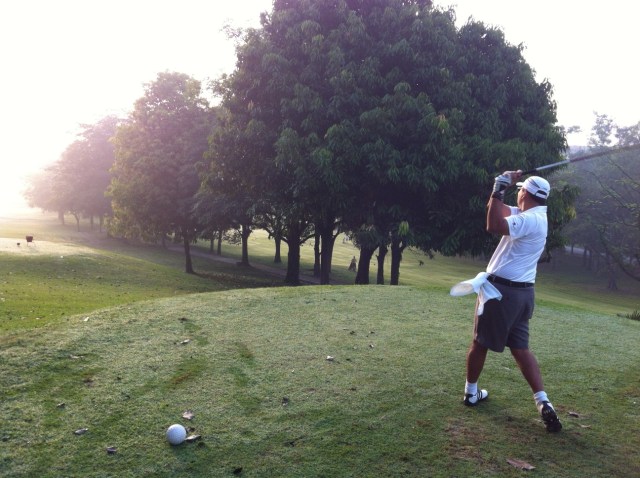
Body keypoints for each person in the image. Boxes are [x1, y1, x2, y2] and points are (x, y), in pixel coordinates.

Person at [462, 171, 562, 433]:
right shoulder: (534, 215)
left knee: (479, 343)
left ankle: (471, 393)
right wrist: (500, 187)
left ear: (525, 193)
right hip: (523, 295)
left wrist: (499, 187)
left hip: (501, 293)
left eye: (520, 190)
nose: (518, 193)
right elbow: (494, 211)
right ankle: (543, 401)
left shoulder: (529, 219)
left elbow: (493, 225)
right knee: (520, 349)